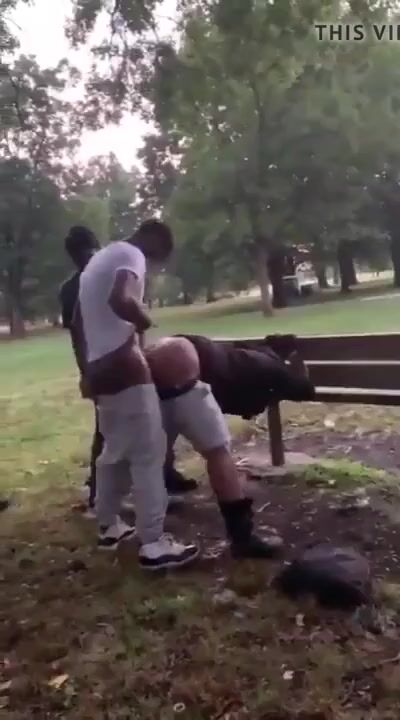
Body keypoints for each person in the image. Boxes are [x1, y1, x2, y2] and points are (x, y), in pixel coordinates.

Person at [77, 219, 198, 570]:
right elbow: (121, 299)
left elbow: (78, 321)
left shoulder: (97, 261)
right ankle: (154, 543)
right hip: (127, 366)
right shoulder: (132, 254)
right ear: (154, 239)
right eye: (159, 255)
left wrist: (88, 371)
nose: (155, 263)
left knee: (113, 452)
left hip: (100, 369)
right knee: (148, 453)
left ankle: (108, 525)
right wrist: (144, 321)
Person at [145, 337, 284, 558]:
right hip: (167, 384)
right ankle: (242, 537)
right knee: (217, 453)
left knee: (150, 459)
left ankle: (147, 540)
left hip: (146, 386)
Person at [59, 226, 101, 515]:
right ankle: (97, 492)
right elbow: (77, 334)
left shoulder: (71, 287)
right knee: (106, 430)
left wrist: (85, 372)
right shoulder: (78, 286)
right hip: (104, 365)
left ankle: (100, 488)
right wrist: (87, 373)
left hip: (103, 364)